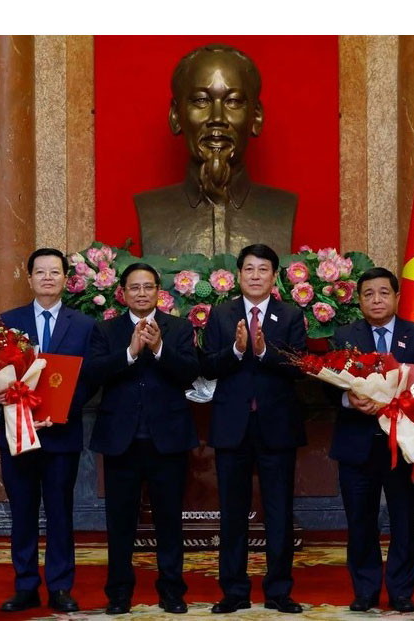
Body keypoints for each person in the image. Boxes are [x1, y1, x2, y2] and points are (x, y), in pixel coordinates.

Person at [83, 263, 200, 615]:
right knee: (120, 524)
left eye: (148, 287)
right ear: (123, 292)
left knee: (169, 521)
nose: (141, 293)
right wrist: (131, 353)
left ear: (159, 291)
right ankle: (119, 594)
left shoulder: (178, 328)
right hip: (122, 440)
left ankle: (172, 592)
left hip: (168, 440)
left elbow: (189, 373)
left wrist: (160, 347)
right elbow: (93, 372)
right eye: (134, 287)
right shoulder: (106, 330)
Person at [0, 248, 96, 613]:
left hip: (61, 434)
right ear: (28, 277)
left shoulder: (83, 324)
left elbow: (89, 380)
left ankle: (61, 587)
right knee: (23, 511)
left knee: (61, 512)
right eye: (40, 272)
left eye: (55, 272)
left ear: (67, 279)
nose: (48, 278)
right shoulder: (8, 322)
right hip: (18, 433)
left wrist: (60, 411)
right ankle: (26, 586)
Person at [200, 244, 307, 614]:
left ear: (274, 276)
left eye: (263, 269)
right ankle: (234, 591)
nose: (256, 275)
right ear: (239, 275)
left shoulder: (291, 315)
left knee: (279, 512)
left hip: (277, 427)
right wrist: (236, 349)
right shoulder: (221, 314)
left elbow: (298, 366)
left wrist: (263, 353)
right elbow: (209, 365)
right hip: (233, 427)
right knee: (232, 513)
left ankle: (279, 591)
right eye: (249, 269)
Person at [329, 267, 414, 614]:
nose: (376, 300)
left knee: (405, 521)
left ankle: (401, 591)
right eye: (368, 294)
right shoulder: (343, 336)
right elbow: (327, 386)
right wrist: (350, 400)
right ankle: (364, 590)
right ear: (359, 300)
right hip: (357, 443)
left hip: (404, 445)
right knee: (360, 521)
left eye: (383, 293)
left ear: (396, 297)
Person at [135, 44, 297, 257]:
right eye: (201, 100)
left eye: (233, 101)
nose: (217, 118)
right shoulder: (151, 209)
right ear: (175, 115)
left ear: (256, 117)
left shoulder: (282, 207)